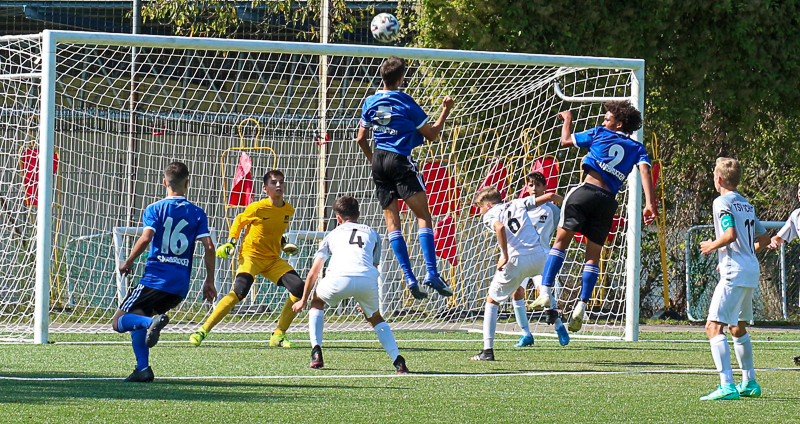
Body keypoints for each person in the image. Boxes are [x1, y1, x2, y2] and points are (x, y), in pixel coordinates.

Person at [529, 101, 658, 332]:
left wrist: (568, 119)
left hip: (584, 193)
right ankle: (582, 305)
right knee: (593, 255)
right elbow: (645, 171)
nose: (603, 122)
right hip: (607, 202)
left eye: (607, 119)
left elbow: (566, 141)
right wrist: (649, 204)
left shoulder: (600, 133)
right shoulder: (637, 148)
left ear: (618, 124)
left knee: (560, 243)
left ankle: (545, 291)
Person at [355, 55, 454, 301]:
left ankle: (409, 278)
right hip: (400, 160)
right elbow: (431, 135)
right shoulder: (406, 102)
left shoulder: (369, 102)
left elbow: (360, 139)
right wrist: (445, 111)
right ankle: (431, 272)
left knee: (393, 224)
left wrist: (374, 160)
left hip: (378, 162)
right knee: (423, 216)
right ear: (400, 78)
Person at [112, 162, 216, 382]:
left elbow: (146, 237)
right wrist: (209, 281)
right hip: (179, 287)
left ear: (164, 182)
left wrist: (128, 261)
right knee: (137, 317)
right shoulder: (197, 213)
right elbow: (209, 246)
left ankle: (152, 324)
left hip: (155, 280)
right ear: (187, 183)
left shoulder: (154, 209)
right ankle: (142, 369)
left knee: (118, 322)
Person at [292, 196, 408, 373]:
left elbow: (314, 272)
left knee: (316, 301)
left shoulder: (332, 234)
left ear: (338, 218)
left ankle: (316, 351)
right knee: (375, 318)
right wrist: (364, 297)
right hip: (366, 280)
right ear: (358, 214)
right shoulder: (372, 233)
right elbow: (373, 266)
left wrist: (303, 299)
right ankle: (398, 360)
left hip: (337, 279)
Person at [190, 170, 303, 348]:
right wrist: (231, 242)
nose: (279, 185)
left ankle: (278, 334)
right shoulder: (257, 207)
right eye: (274, 182)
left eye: (281, 182)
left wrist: (283, 245)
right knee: (240, 291)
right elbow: (239, 221)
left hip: (273, 260)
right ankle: (203, 330)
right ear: (265, 189)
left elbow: (272, 231)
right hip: (251, 256)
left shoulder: (289, 210)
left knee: (299, 288)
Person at [699, 157, 769, 400]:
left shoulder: (721, 202)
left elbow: (729, 235)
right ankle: (749, 382)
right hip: (750, 269)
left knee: (712, 326)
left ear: (718, 180)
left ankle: (727, 385)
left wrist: (711, 246)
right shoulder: (745, 204)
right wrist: (745, 254)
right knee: (737, 327)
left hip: (734, 271)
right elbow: (764, 239)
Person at [469, 187, 548, 361]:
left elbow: (500, 227)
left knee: (492, 300)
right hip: (539, 257)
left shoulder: (489, 215)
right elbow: (548, 196)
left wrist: (504, 255)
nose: (479, 211)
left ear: (488, 205)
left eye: (480, 207)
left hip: (517, 260)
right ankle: (553, 312)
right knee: (542, 283)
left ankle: (487, 351)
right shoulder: (518, 202)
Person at [521, 172, 569, 346]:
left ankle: (558, 326)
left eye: (538, 185)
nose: (534, 189)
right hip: (520, 256)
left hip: (542, 257)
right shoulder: (521, 208)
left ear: (545, 188)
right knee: (517, 292)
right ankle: (525, 334)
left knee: (544, 293)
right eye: (531, 185)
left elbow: (562, 227)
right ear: (526, 187)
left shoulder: (552, 210)